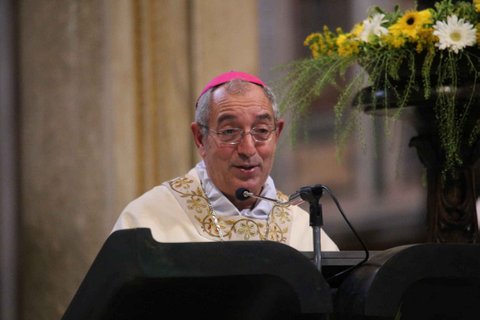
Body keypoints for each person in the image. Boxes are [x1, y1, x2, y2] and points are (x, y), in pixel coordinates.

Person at [112, 71, 338, 252]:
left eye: (261, 130)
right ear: (200, 139)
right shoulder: (148, 220)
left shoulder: (303, 230)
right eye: (229, 131)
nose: (248, 149)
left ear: (277, 134)